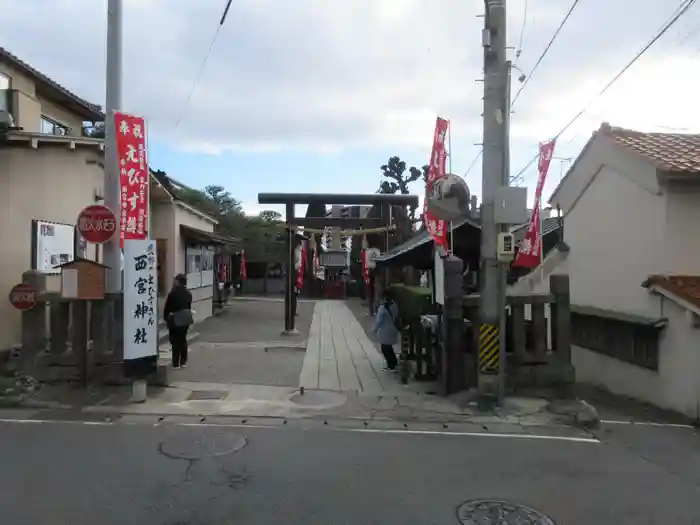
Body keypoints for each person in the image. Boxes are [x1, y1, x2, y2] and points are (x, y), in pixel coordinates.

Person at [163, 273, 193, 369]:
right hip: (185, 319)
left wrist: (165, 318)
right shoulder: (188, 294)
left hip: (175, 320)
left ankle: (176, 363)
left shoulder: (173, 293)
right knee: (183, 339)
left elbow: (168, 308)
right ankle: (183, 361)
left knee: (175, 341)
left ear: (178, 282)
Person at [372, 288, 400, 371]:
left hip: (385, 330)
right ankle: (393, 363)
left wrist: (374, 329)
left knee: (385, 348)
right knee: (388, 347)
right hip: (393, 329)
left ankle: (391, 364)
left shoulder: (382, 307)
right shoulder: (394, 305)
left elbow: (379, 320)